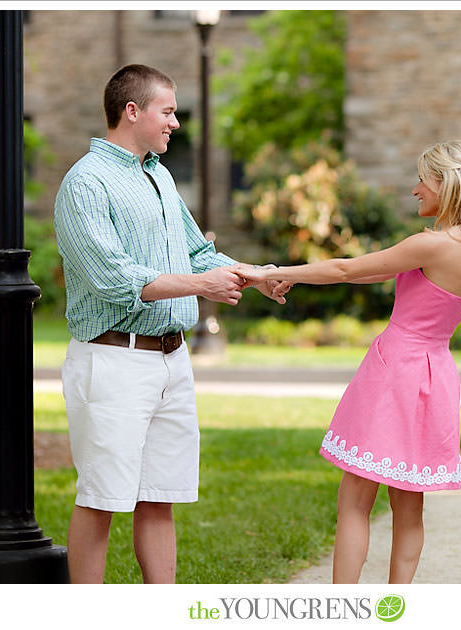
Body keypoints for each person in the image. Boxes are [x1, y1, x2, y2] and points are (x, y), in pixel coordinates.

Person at [53, 64, 289, 584]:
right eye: (168, 111)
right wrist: (203, 286)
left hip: (171, 360)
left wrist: (255, 274)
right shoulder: (85, 183)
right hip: (113, 359)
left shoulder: (157, 174)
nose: (176, 123)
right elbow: (113, 278)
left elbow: (198, 252)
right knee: (101, 499)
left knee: (158, 498)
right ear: (131, 112)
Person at [238, 139, 461, 584]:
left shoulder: (432, 244)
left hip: (396, 371)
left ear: (448, 184)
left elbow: (346, 269)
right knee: (409, 506)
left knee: (355, 501)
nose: (416, 189)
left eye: (424, 179)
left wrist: (275, 272)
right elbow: (378, 270)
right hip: (434, 376)